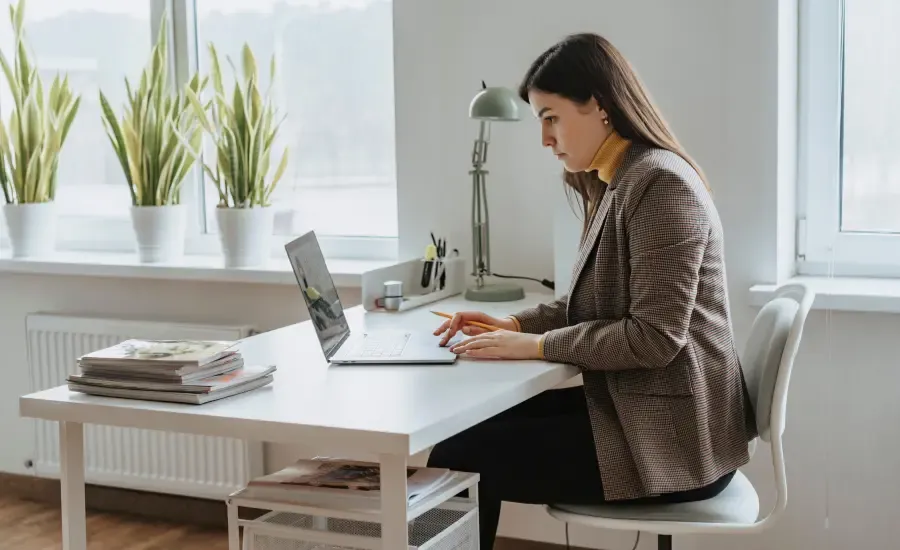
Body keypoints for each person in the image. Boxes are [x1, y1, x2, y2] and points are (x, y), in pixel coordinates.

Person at [429, 32, 758, 549]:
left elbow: (653, 338)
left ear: (600, 107)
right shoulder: (616, 180)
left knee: (460, 455)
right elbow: (587, 306)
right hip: (644, 411)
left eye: (551, 117)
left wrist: (536, 347)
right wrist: (514, 326)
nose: (544, 138)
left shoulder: (660, 184)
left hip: (676, 440)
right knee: (468, 434)